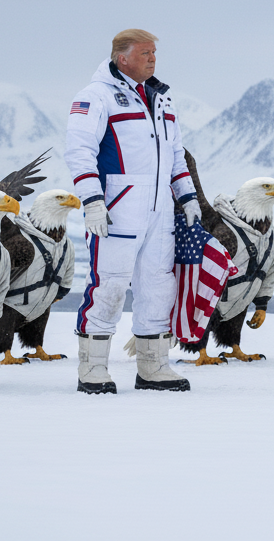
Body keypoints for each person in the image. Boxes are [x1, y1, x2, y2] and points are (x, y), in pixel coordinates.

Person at [65, 29, 201, 393]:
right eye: (145, 53)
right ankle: (92, 368)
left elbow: (176, 154)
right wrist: (92, 200)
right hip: (117, 208)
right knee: (109, 283)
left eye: (154, 52)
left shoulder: (162, 100)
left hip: (160, 210)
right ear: (122, 57)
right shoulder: (95, 97)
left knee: (159, 285)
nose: (153, 59)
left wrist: (187, 197)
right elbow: (79, 151)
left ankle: (153, 366)